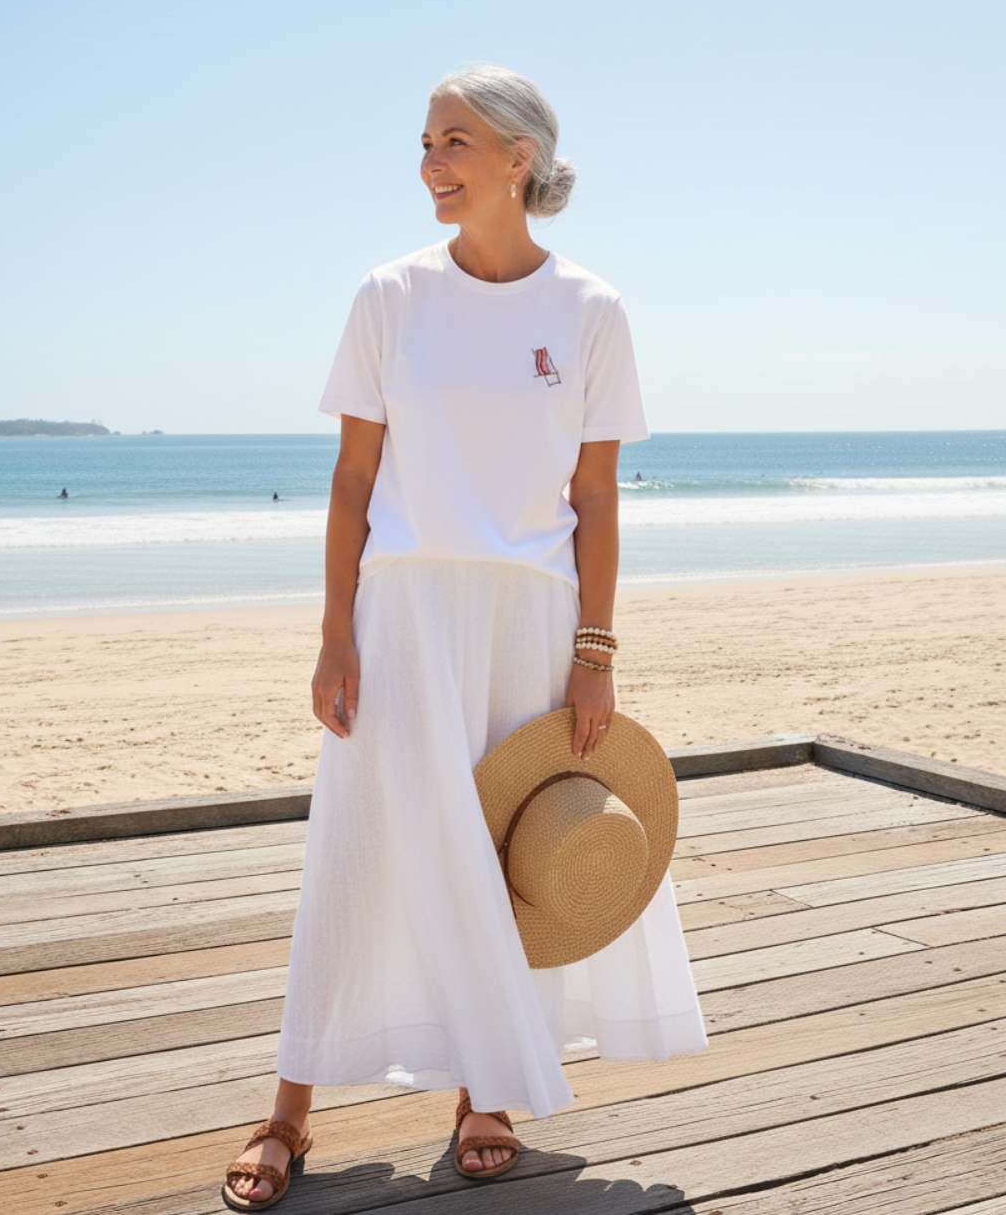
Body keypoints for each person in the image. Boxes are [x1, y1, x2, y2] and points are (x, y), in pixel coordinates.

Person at [223, 65, 706, 1209]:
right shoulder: (388, 296)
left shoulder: (591, 310)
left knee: (503, 855)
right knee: (358, 844)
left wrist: (596, 651)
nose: (432, 162)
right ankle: (289, 1106)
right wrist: (335, 634)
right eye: (427, 143)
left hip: (528, 617)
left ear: (518, 160)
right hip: (403, 613)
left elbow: (597, 498)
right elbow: (351, 480)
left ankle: (482, 1094)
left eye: (456, 141)